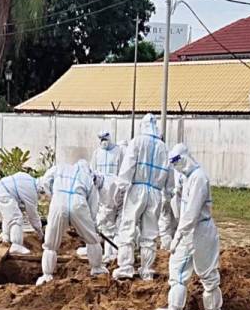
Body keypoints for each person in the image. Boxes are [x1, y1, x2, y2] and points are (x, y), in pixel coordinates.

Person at [154, 144, 224, 310]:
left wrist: (178, 235)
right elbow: (180, 208)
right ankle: (175, 308)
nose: (175, 165)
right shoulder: (186, 178)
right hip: (189, 230)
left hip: (198, 231)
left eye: (177, 161)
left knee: (206, 272)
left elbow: (192, 213)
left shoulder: (199, 178)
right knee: (177, 268)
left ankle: (213, 309)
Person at [113, 113, 173, 281]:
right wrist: (168, 193)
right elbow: (170, 174)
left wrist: (120, 190)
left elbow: (128, 167)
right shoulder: (163, 147)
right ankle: (146, 270)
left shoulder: (137, 142)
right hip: (155, 193)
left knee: (128, 228)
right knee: (150, 233)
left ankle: (125, 267)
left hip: (137, 190)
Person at [36, 160, 108, 285]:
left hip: (58, 202)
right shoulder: (87, 176)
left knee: (51, 243)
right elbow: (93, 203)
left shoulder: (60, 167)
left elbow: (45, 181)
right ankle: (97, 269)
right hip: (78, 203)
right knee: (92, 239)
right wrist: (90, 223)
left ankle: (47, 275)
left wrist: (52, 194)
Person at [90, 130, 125, 262]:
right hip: (103, 192)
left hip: (115, 190)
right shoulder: (97, 153)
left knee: (114, 225)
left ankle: (115, 254)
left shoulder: (119, 151)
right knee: (106, 225)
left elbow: (123, 171)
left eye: (105, 138)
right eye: (100, 139)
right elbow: (92, 171)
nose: (103, 142)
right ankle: (110, 253)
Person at [0, 172, 44, 255]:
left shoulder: (28, 179)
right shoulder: (31, 190)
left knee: (9, 216)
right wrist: (40, 232)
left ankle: (6, 238)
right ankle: (16, 245)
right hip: (4, 192)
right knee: (16, 217)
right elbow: (32, 214)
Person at [158, 170, 183, 250]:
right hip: (172, 194)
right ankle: (169, 246)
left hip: (170, 195)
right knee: (171, 222)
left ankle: (168, 246)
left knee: (167, 222)